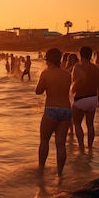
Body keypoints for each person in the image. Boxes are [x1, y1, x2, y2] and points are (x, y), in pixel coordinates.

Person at [36, 48, 71, 176]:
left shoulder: (45, 74)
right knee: (61, 144)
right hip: (66, 110)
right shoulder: (67, 74)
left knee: (44, 140)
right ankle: (60, 174)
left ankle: (41, 170)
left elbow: (38, 91)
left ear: (47, 60)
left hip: (51, 109)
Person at [71, 46, 99, 151]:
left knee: (77, 123)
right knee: (90, 125)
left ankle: (81, 148)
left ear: (80, 54)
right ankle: (90, 147)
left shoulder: (78, 67)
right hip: (93, 98)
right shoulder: (97, 69)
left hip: (81, 98)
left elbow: (74, 83)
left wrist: (71, 92)